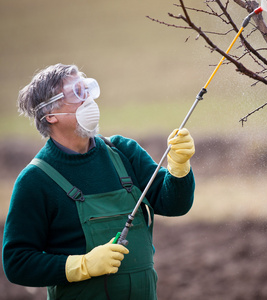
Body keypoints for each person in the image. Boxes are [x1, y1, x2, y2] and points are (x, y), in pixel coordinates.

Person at [2, 63, 195, 300]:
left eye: (88, 90)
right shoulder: (35, 180)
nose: (89, 101)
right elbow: (17, 263)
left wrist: (179, 167)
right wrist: (83, 265)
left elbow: (175, 205)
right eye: (77, 94)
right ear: (50, 115)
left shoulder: (124, 152)